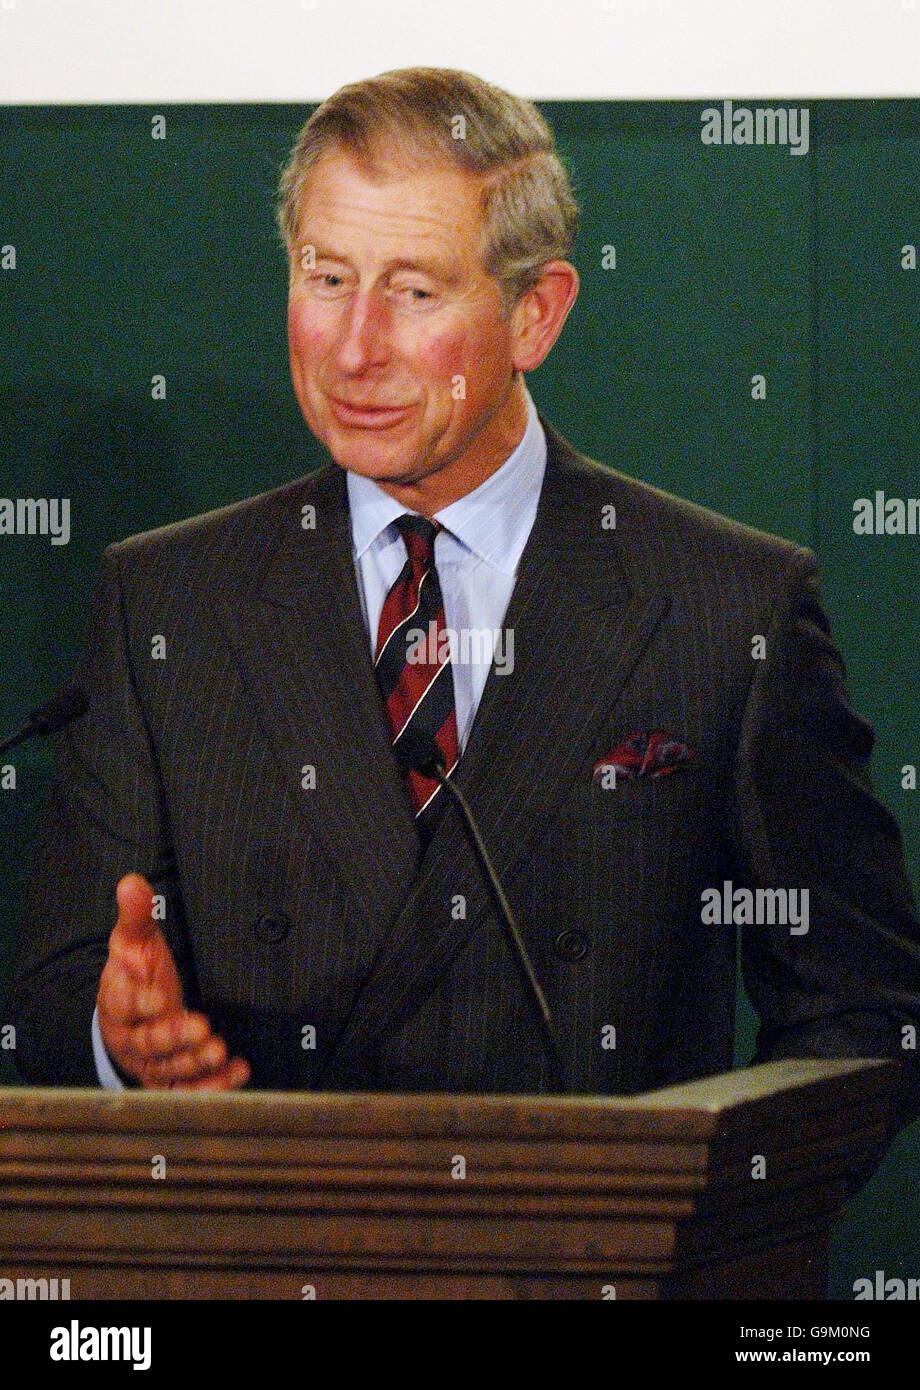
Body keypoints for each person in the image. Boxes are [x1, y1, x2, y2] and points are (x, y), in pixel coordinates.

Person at [8, 70, 920, 1147]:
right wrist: (122, 1045)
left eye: (415, 291)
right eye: (326, 276)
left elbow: (858, 1015)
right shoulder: (167, 604)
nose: (354, 347)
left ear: (534, 312)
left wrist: (704, 1215)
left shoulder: (727, 610)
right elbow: (55, 998)